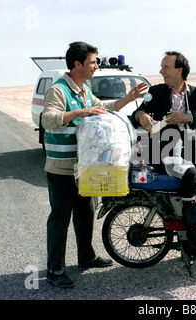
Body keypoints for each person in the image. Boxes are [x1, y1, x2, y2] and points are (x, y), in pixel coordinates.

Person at [42, 41, 147, 288]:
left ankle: (86, 257)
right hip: (62, 168)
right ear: (78, 64)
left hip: (84, 167)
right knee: (60, 218)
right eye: (92, 61)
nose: (96, 65)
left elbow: (102, 107)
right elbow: (47, 119)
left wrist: (127, 99)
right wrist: (79, 113)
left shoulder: (84, 90)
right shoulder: (59, 91)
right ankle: (55, 270)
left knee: (85, 213)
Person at [131, 51, 196, 254]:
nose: (161, 71)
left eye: (165, 67)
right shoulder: (157, 92)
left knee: (194, 180)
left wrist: (187, 117)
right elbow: (136, 114)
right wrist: (141, 114)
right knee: (189, 175)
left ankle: (185, 241)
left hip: (189, 153)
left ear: (180, 69)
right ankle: (192, 231)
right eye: (161, 67)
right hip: (162, 153)